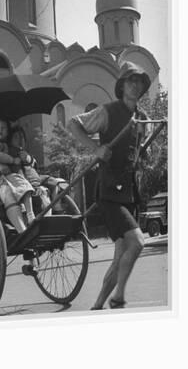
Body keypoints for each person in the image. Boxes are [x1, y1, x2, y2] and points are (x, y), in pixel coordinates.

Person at [68, 62, 151, 310]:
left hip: (129, 192)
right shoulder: (107, 111)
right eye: (130, 81)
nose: (135, 85)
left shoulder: (143, 118)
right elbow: (73, 123)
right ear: (122, 85)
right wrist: (96, 148)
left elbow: (138, 151)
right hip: (109, 191)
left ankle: (97, 305)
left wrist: (142, 154)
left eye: (139, 82)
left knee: (120, 257)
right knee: (137, 242)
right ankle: (119, 297)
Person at [0, 117, 35, 233]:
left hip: (12, 176)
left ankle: (33, 219)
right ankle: (23, 229)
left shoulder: (7, 145)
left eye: (4, 128)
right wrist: (12, 160)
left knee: (34, 188)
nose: (0, 130)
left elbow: (31, 162)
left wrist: (26, 157)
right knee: (10, 192)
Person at [8, 126, 52, 212]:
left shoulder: (25, 153)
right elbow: (19, 174)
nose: (20, 140)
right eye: (16, 137)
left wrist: (29, 159)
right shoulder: (12, 155)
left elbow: (35, 168)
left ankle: (58, 209)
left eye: (22, 137)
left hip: (36, 182)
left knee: (56, 183)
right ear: (10, 140)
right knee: (43, 197)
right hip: (26, 187)